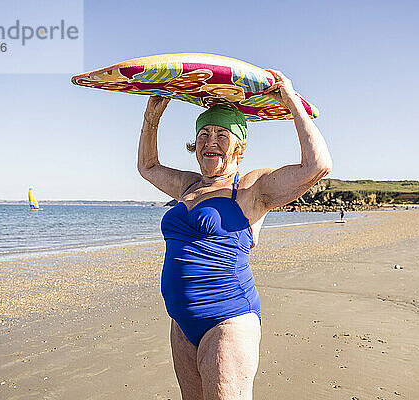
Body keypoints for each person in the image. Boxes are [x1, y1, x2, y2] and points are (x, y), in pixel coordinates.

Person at [137, 70, 332, 400]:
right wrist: (152, 116)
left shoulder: (251, 188)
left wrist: (289, 99)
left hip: (228, 321)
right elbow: (148, 167)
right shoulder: (188, 184)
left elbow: (317, 165)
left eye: (221, 134)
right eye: (204, 133)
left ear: (239, 146)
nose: (210, 141)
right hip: (181, 324)